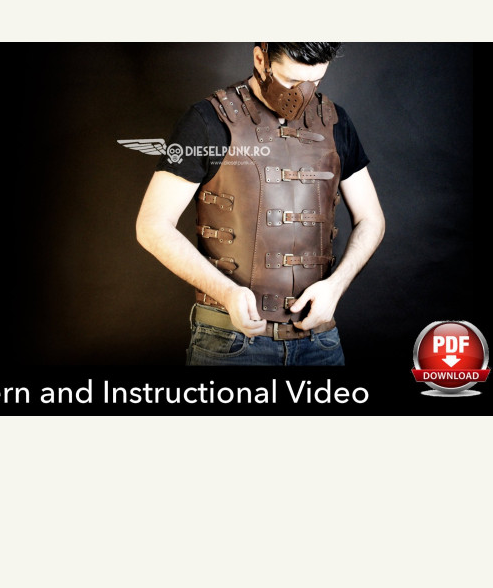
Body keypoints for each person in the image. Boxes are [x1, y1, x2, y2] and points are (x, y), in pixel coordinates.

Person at [136, 43, 385, 366]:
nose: (302, 95)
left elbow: (371, 218)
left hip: (318, 341)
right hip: (231, 342)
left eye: (315, 82)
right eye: (291, 81)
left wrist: (336, 287)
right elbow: (152, 225)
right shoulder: (207, 120)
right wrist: (227, 292)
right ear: (260, 58)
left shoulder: (336, 122)